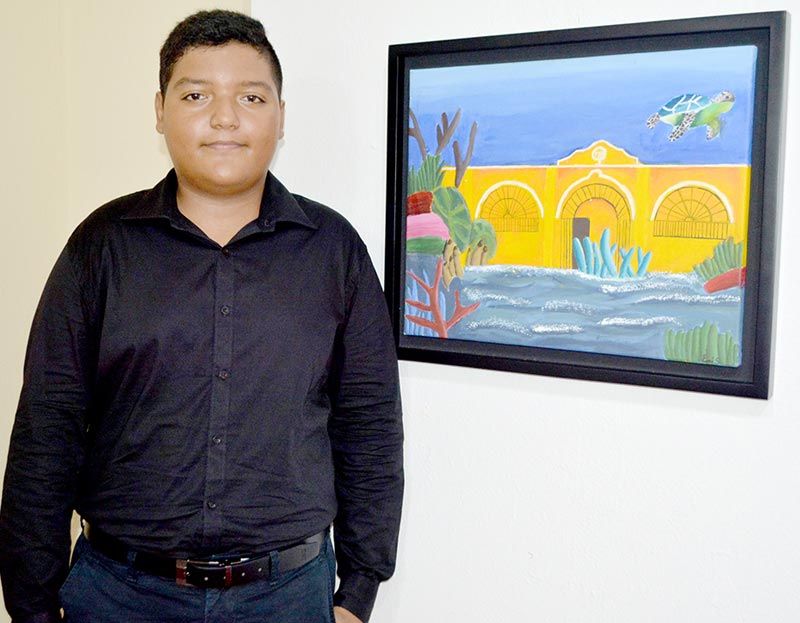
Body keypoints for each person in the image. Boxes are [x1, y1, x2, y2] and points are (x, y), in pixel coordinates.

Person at [0, 9, 403, 623]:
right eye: (196, 95)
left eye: (250, 97)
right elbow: (47, 428)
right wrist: (31, 604)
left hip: (288, 597)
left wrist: (358, 593)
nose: (225, 118)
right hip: (118, 594)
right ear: (160, 110)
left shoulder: (333, 251)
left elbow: (370, 424)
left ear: (281, 115)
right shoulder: (101, 246)